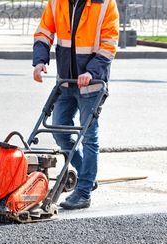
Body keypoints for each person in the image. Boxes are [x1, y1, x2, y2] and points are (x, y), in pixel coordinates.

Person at [32, 0, 119, 209]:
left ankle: (84, 191)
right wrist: (40, 61)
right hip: (65, 82)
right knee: (59, 130)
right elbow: (43, 32)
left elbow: (109, 44)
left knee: (89, 136)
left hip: (91, 84)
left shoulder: (105, 4)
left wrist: (92, 71)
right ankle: (86, 175)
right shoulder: (57, 2)